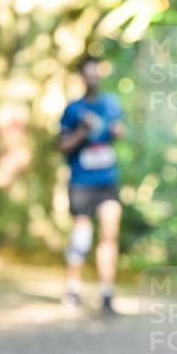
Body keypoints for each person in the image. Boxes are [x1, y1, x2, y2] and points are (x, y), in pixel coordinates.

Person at [58, 56, 125, 314]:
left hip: (107, 180)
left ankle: (107, 293)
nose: (93, 77)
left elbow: (118, 132)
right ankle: (73, 288)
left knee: (109, 234)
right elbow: (61, 146)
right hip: (81, 182)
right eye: (88, 73)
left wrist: (118, 132)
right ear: (81, 77)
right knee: (81, 237)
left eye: (96, 72)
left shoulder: (111, 105)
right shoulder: (73, 109)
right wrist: (82, 131)